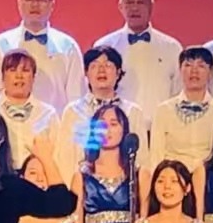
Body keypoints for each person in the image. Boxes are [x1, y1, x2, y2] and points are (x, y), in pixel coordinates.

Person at [0, 0, 87, 106]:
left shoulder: (68, 46)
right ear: (19, 3)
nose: (35, 4)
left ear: (52, 4)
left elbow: (76, 99)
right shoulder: (1, 44)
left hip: (55, 119)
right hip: (8, 118)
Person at [51, 46, 149, 180]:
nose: (101, 70)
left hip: (124, 187)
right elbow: (64, 159)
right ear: (86, 73)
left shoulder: (133, 112)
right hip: (82, 186)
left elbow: (143, 159)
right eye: (94, 66)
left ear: (118, 72)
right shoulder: (73, 112)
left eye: (107, 65)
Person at [94, 0, 185, 112]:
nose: (135, 8)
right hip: (118, 123)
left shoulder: (172, 48)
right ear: (120, 7)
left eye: (141, 2)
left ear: (151, 6)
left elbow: (179, 94)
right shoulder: (105, 47)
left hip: (159, 124)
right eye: (129, 1)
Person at [148, 47, 213, 179]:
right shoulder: (164, 110)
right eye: (188, 65)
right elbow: (156, 155)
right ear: (180, 70)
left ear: (211, 72)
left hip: (210, 178)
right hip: (173, 179)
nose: (194, 71)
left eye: (201, 66)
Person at [0, 50, 60, 175]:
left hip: (36, 181)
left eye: (25, 70)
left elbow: (57, 154)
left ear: (33, 77)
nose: (19, 76)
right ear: (3, 77)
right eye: (12, 70)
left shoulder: (48, 114)